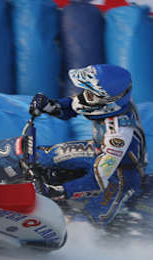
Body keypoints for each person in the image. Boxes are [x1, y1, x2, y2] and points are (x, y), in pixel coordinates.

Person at [29, 64, 146, 228]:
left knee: (85, 225)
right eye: (87, 92)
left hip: (119, 174)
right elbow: (73, 106)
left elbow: (98, 180)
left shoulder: (119, 134)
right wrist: (49, 106)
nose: (83, 97)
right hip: (98, 150)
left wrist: (56, 191)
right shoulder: (114, 102)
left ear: (107, 103)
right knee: (38, 155)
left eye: (91, 94)